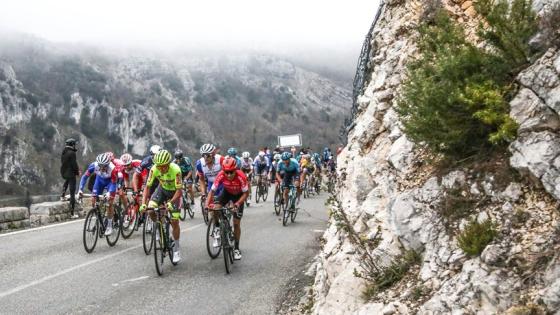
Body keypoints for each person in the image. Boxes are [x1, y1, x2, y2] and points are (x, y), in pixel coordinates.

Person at [139, 150, 183, 263]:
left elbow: (179, 191)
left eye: (164, 167)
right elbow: (147, 188)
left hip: (175, 194)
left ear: (168, 164)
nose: (161, 169)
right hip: (162, 190)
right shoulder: (154, 169)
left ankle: (177, 249)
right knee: (150, 210)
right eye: (159, 167)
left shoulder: (176, 170)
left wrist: (170, 202)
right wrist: (143, 203)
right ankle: (159, 227)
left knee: (174, 221)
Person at [206, 157, 249, 260]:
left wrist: (238, 204)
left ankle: (236, 249)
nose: (229, 175)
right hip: (227, 193)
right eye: (226, 172)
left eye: (231, 172)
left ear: (235, 169)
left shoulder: (241, 176)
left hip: (239, 196)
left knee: (236, 223)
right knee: (215, 208)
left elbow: (246, 193)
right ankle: (217, 228)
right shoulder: (221, 175)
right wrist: (207, 204)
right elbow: (212, 191)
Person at [79, 153, 121, 235]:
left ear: (108, 164)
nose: (102, 168)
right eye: (100, 165)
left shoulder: (113, 169)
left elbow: (113, 184)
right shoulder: (93, 166)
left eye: (104, 166)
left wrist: (109, 193)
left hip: (110, 183)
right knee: (94, 199)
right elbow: (85, 177)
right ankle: (99, 216)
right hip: (99, 181)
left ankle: (109, 225)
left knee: (109, 203)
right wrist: (80, 189)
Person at [60, 138, 80, 219]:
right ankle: (72, 213)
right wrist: (77, 172)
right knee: (72, 193)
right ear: (72, 144)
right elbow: (74, 164)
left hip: (64, 172)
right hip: (71, 173)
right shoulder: (72, 153)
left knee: (66, 181)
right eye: (74, 144)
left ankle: (62, 195)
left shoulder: (64, 152)